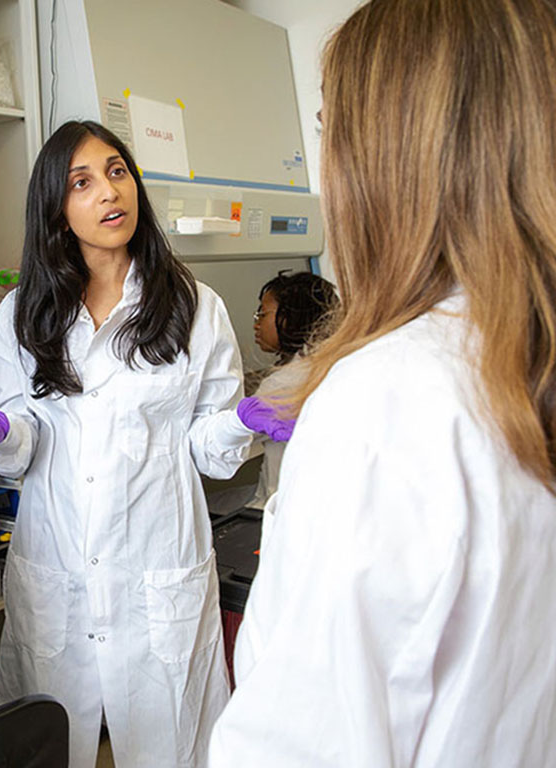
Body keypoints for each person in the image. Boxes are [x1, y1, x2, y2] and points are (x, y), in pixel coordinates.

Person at [209, 0, 556, 765]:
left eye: (333, 129)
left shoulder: (386, 401)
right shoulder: (520, 359)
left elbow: (299, 747)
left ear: (391, 154)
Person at [0, 120, 277, 768]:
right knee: (55, 746)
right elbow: (24, 449)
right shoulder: (23, 313)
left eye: (117, 172)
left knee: (172, 744)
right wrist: (0, 432)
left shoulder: (195, 307)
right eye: (82, 182)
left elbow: (203, 449)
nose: (108, 192)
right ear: (55, 206)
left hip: (158, 569)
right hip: (57, 570)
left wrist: (241, 423)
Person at [247, 271, 337, 509]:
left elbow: (238, 441)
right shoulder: (335, 364)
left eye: (262, 314)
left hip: (282, 504)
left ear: (291, 317)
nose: (256, 323)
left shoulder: (284, 383)